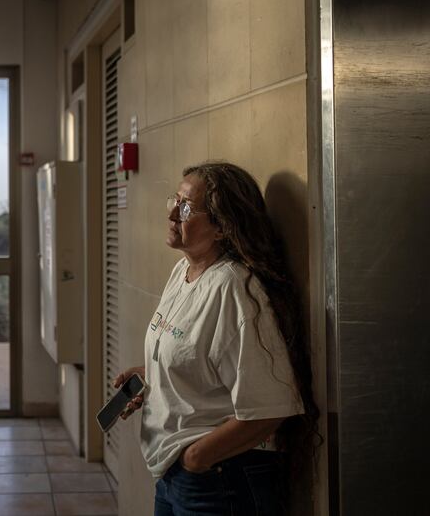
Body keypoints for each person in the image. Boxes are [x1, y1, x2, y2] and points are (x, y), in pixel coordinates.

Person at [113, 162, 319, 515]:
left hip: (217, 477)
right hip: (172, 470)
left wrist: (197, 457)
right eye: (175, 200)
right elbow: (195, 353)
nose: (173, 214)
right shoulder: (184, 271)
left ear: (223, 226)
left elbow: (271, 408)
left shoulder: (234, 288)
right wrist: (153, 375)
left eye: (188, 207)